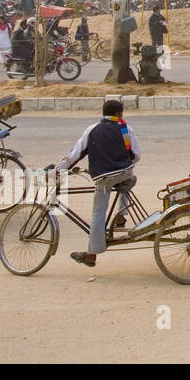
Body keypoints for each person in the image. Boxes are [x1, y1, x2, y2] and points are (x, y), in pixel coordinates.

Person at [56, 99, 142, 268]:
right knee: (128, 180)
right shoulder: (125, 129)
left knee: (98, 213)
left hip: (102, 177)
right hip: (123, 172)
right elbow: (136, 155)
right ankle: (122, 215)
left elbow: (74, 154)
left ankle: (92, 254)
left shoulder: (92, 129)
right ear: (119, 114)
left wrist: (59, 169)